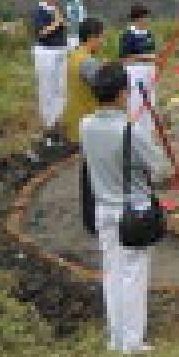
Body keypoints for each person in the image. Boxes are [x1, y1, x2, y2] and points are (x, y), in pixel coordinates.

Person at [80, 62, 170, 354]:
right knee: (133, 274)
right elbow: (161, 168)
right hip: (132, 213)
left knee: (111, 272)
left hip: (103, 207)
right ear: (122, 93)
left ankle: (115, 337)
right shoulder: (131, 131)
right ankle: (132, 341)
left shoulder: (86, 125)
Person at [66, 17, 106, 234]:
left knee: (88, 171)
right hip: (90, 121)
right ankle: (93, 221)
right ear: (92, 37)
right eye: (101, 37)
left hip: (79, 120)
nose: (102, 41)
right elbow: (103, 86)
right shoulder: (87, 62)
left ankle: (91, 219)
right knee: (94, 174)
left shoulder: (74, 57)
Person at [31, 0, 69, 134]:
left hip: (60, 49)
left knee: (60, 85)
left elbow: (62, 25)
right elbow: (41, 33)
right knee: (47, 85)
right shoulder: (39, 11)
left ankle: (60, 116)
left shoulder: (56, 9)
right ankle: (48, 120)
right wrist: (57, 22)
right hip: (46, 52)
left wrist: (62, 22)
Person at [120, 4, 158, 121]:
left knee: (150, 101)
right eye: (145, 17)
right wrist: (144, 57)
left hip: (149, 70)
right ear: (138, 18)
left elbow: (152, 52)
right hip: (135, 72)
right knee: (136, 100)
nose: (147, 20)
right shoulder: (128, 35)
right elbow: (124, 58)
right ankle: (135, 125)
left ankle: (150, 126)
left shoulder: (148, 34)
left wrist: (154, 60)